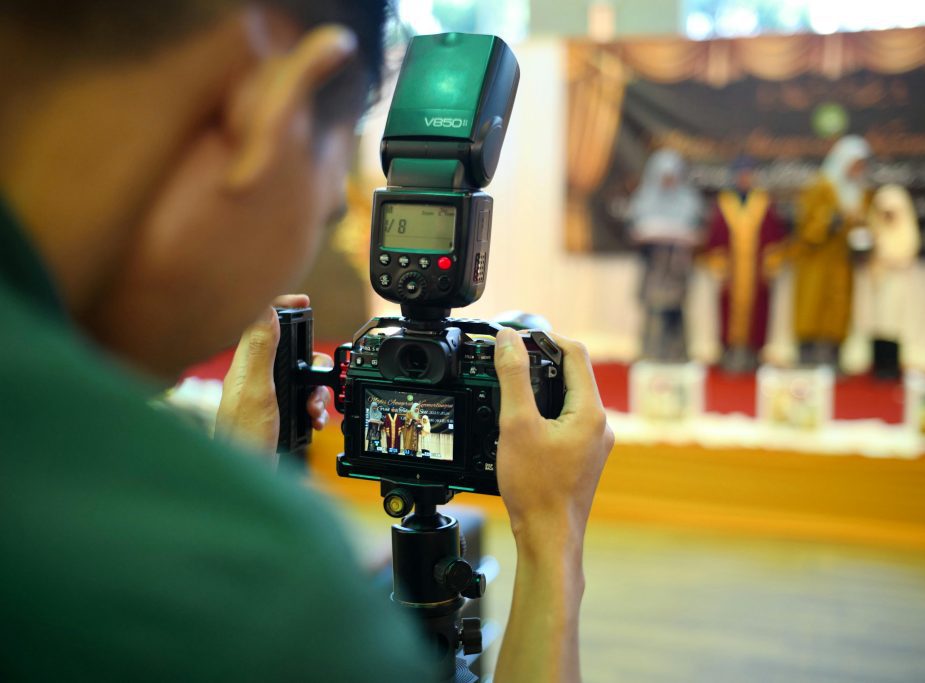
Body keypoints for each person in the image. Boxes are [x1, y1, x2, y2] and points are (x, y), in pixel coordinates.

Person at [0, 3, 615, 682]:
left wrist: (228, 479)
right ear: (273, 104)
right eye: (330, 213)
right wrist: (552, 532)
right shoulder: (274, 600)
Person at [792, 135, 873, 369]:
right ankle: (807, 358)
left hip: (842, 261)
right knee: (812, 306)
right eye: (855, 164)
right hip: (816, 261)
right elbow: (804, 227)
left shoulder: (861, 192)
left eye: (862, 165)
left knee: (838, 310)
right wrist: (829, 221)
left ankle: (833, 357)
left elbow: (864, 224)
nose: (858, 170)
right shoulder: (819, 187)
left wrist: (862, 234)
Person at [704, 156, 787, 373]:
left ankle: (753, 355)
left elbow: (773, 235)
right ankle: (730, 352)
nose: (745, 179)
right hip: (732, 272)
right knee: (728, 310)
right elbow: (716, 236)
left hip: (756, 272)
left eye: (748, 175)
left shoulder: (763, 202)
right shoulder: (724, 203)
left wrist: (772, 261)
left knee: (759, 311)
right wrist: (719, 263)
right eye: (741, 175)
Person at [628, 147, 705, 361]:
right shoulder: (644, 198)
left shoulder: (689, 200)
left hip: (678, 269)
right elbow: (635, 231)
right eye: (664, 177)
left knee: (676, 314)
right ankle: (650, 356)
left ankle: (678, 358)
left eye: (672, 177)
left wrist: (685, 237)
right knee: (653, 313)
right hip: (653, 267)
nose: (668, 182)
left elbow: (698, 233)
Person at [863, 184, 920, 379]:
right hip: (877, 283)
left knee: (893, 324)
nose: (886, 216)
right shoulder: (876, 229)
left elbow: (904, 255)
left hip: (896, 283)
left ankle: (891, 367)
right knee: (877, 323)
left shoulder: (905, 229)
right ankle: (878, 366)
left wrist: (884, 254)